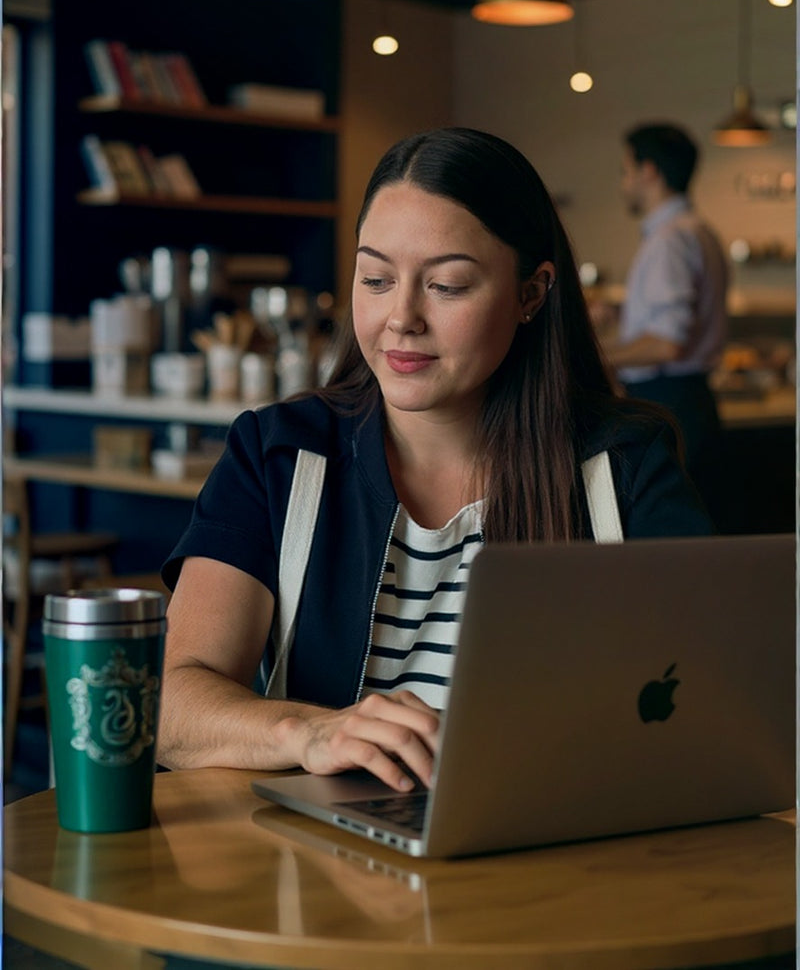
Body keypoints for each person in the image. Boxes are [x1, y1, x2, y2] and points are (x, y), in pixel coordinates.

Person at [157, 126, 712, 793]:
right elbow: (173, 705)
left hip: (560, 865)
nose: (402, 316)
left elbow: (710, 697)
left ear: (532, 294)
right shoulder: (278, 454)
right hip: (316, 874)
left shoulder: (624, 464)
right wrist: (310, 732)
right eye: (376, 277)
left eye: (447, 285)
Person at [600, 122, 729, 520]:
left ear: (649, 171)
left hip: (669, 400)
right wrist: (621, 313)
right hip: (692, 398)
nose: (623, 183)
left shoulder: (669, 240)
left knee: (671, 531)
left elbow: (666, 343)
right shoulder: (699, 230)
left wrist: (597, 356)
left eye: (625, 170)